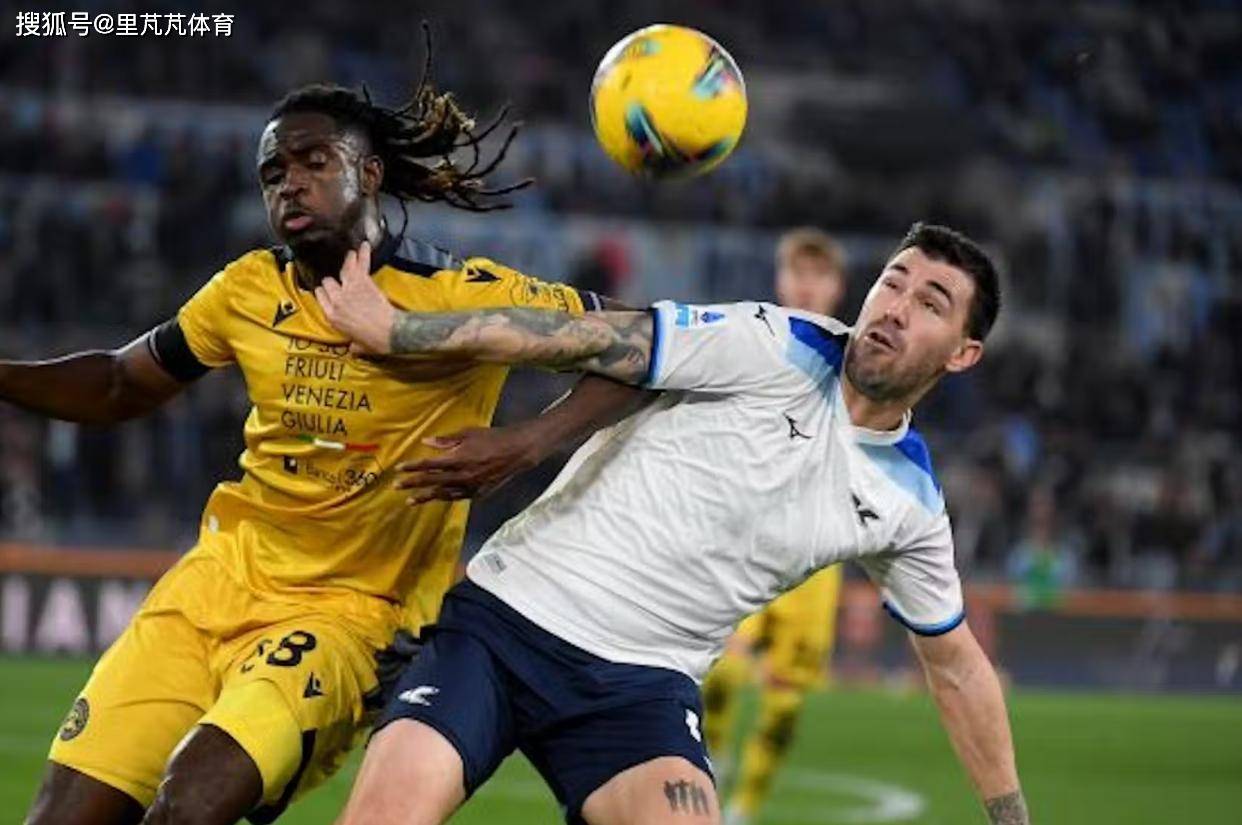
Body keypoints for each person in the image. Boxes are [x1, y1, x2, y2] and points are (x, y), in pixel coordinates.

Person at [17, 49, 641, 825]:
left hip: (347, 615)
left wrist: (528, 443)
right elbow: (119, 382)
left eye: (314, 161)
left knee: (189, 805)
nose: (290, 183)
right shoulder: (247, 289)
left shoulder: (455, 295)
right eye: (273, 172)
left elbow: (638, 342)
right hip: (211, 584)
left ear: (369, 173)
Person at [317, 222, 1030, 825]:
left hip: (640, 691)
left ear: (963, 353)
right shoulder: (775, 343)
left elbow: (957, 666)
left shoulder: (909, 502)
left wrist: (1012, 817)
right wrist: (401, 331)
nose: (897, 308)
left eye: (930, 303)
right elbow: (598, 338)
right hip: (508, 620)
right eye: (893, 282)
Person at [700, 227, 849, 825]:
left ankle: (744, 810)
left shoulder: (859, 364)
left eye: (819, 275)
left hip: (814, 560)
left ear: (838, 287)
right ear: (780, 279)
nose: (807, 285)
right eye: (797, 272)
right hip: (748, 543)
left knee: (785, 704)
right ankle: (710, 767)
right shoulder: (753, 342)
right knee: (723, 673)